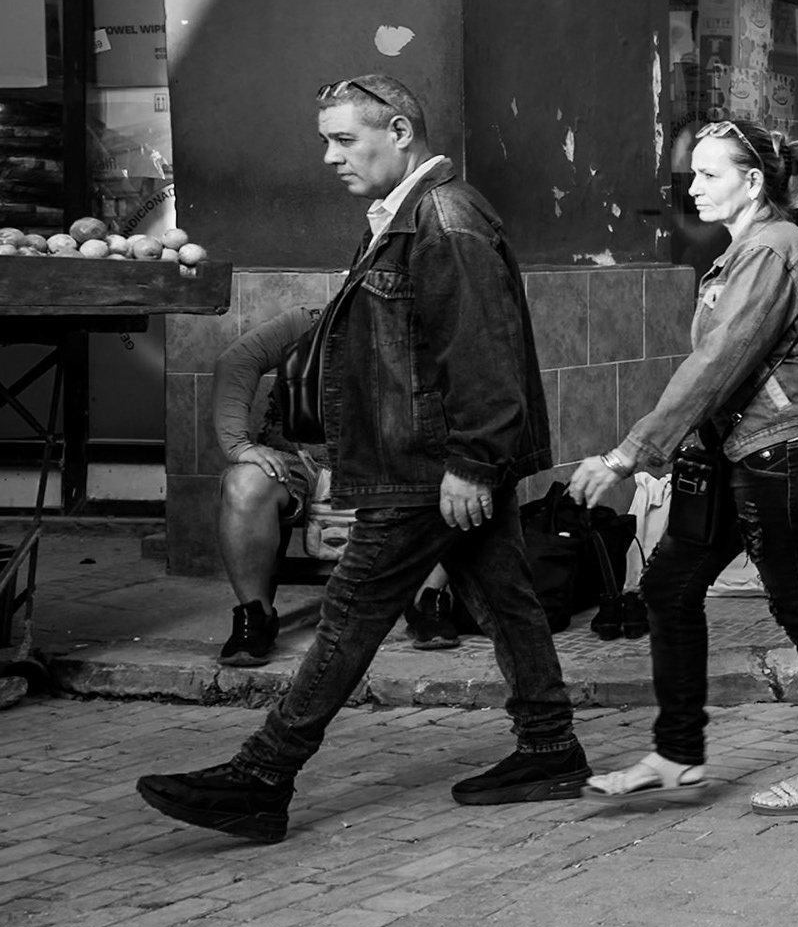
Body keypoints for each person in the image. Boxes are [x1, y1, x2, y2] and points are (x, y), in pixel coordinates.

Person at [137, 73, 589, 843]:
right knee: (508, 599)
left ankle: (264, 774)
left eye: (345, 139)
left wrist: (474, 464)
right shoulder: (406, 215)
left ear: (402, 133)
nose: (329, 157)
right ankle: (549, 748)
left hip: (426, 464)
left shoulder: (441, 217)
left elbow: (480, 351)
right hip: (424, 457)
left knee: (350, 615)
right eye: (326, 140)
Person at [568, 118, 798, 816]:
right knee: (671, 587)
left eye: (710, 174)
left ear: (753, 181)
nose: (694, 186)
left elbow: (719, 361)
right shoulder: (744, 253)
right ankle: (678, 754)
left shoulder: (774, 251)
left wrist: (629, 454)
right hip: (739, 449)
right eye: (693, 173)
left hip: (788, 450)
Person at [208, 308, 461, 666]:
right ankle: (255, 616)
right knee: (243, 484)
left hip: (389, 463)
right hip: (299, 458)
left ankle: (428, 598)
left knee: (464, 478)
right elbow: (237, 361)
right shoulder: (308, 321)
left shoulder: (426, 324)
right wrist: (238, 445)